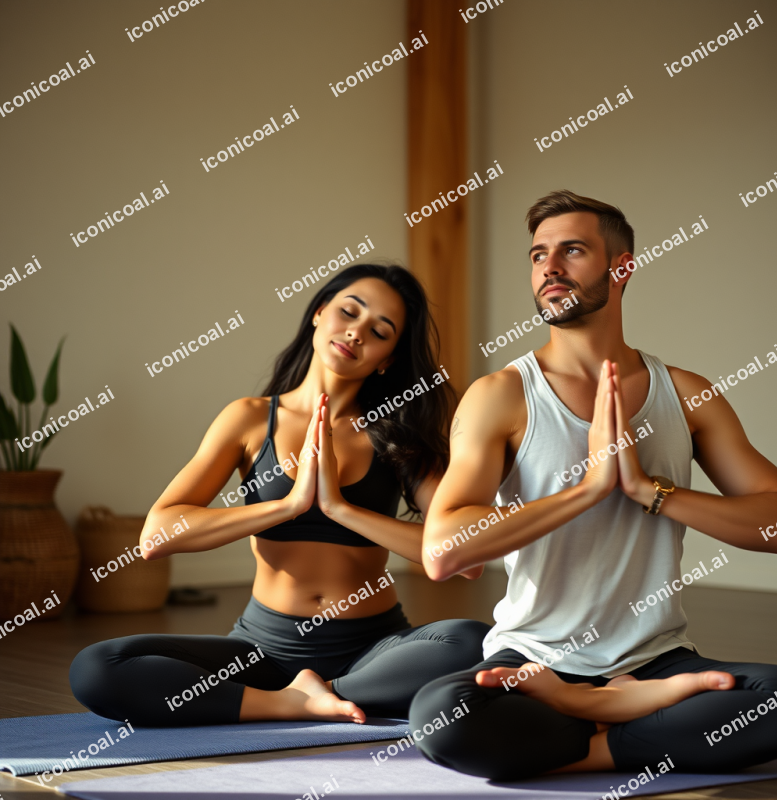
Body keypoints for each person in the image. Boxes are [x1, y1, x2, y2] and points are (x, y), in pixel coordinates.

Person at [409, 190, 777, 780]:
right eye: (538, 255)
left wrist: (652, 490)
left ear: (622, 267)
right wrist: (588, 490)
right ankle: (615, 718)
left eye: (572, 251)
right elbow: (442, 552)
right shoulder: (502, 396)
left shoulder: (687, 394)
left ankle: (592, 730)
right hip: (535, 661)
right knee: (443, 717)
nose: (550, 268)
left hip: (658, 660)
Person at [70, 263, 489, 727]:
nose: (355, 333)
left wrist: (339, 508)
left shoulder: (397, 433)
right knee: (97, 668)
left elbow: (466, 559)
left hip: (372, 654)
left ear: (388, 357)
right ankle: (290, 703)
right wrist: (289, 505)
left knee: (473, 642)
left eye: (380, 331)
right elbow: (157, 535)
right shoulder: (249, 420)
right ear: (318, 313)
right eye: (348, 311)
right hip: (262, 652)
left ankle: (327, 694)